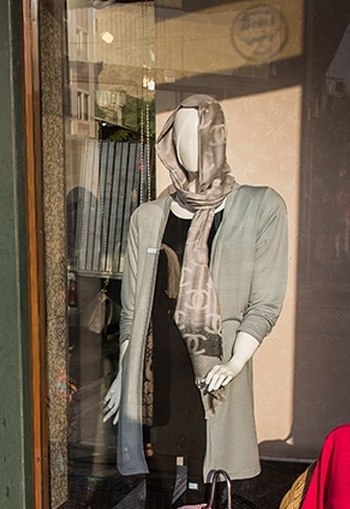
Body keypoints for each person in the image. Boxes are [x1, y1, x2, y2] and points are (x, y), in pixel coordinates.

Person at [102, 95, 289, 487]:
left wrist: (234, 364)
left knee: (210, 486)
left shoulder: (260, 207)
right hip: (158, 372)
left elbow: (266, 303)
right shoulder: (148, 216)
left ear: (216, 137)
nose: (186, 142)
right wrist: (126, 374)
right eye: (179, 132)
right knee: (158, 486)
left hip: (215, 372)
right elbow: (134, 311)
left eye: (197, 131)